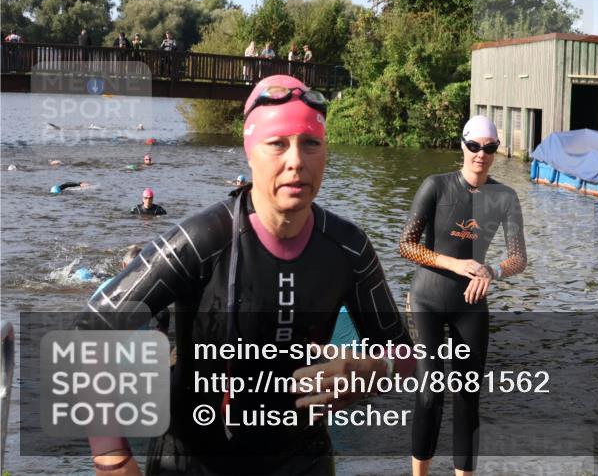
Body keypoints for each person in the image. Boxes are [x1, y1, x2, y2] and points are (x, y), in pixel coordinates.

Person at [78, 74, 414, 475]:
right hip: (193, 461)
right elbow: (89, 328)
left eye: (311, 144)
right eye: (277, 144)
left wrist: (374, 369)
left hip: (302, 462)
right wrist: (111, 457)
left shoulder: (348, 246)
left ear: (325, 153)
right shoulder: (202, 240)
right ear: (249, 152)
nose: (296, 161)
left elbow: (405, 355)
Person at [399, 115, 527, 476]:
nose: (480, 155)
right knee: (429, 393)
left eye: (489, 148)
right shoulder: (435, 187)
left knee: (468, 399)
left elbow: (519, 257)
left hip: (470, 305)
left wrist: (493, 270)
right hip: (426, 299)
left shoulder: (505, 197)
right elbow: (406, 246)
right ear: (463, 145)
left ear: (496, 151)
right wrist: (454, 265)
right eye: (474, 146)